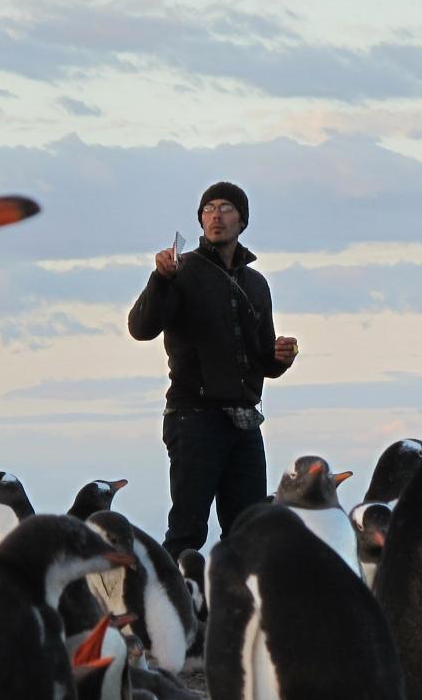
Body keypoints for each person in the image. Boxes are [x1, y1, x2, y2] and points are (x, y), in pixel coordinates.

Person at [128, 181, 299, 558]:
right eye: (209, 209)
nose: (216, 215)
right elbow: (140, 328)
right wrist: (160, 280)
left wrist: (280, 358)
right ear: (201, 221)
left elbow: (262, 360)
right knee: (187, 531)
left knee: (251, 531)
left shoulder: (256, 284)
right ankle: (172, 612)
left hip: (244, 421)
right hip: (194, 418)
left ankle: (235, 615)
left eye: (226, 208)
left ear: (243, 221)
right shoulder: (180, 271)